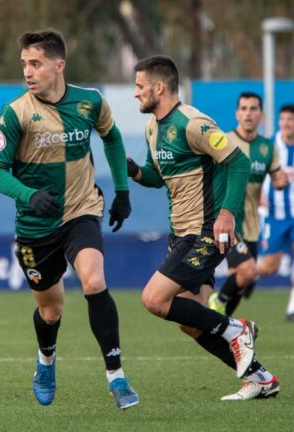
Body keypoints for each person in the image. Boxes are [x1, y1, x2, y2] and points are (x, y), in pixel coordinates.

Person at [0, 30, 138, 409]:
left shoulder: (90, 102)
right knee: (50, 310)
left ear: (59, 65)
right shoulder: (15, 112)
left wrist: (121, 191)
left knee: (94, 280)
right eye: (24, 64)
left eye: (35, 63)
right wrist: (29, 195)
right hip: (36, 227)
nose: (28, 71)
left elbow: (113, 138)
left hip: (81, 210)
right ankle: (46, 362)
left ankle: (117, 378)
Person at [127, 55, 279, 401]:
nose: (136, 94)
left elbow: (238, 161)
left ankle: (236, 329)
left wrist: (227, 215)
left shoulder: (193, 123)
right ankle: (261, 378)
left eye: (139, 86)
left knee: (153, 299)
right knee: (191, 322)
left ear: (159, 87)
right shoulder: (153, 127)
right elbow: (157, 177)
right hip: (180, 232)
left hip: (206, 231)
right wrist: (133, 170)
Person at [208, 93, 287, 316]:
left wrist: (280, 182)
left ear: (261, 115)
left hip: (252, 226)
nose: (248, 113)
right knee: (248, 271)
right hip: (229, 222)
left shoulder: (267, 147)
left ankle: (221, 325)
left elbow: (276, 177)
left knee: (243, 285)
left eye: (253, 109)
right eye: (243, 109)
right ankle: (217, 300)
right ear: (237, 114)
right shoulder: (224, 141)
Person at [255, 104, 294, 321]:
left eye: (290, 120)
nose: (286, 123)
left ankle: (292, 307)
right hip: (275, 215)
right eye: (283, 120)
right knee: (271, 266)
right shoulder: (270, 146)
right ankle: (241, 277)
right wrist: (258, 193)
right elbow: (254, 170)